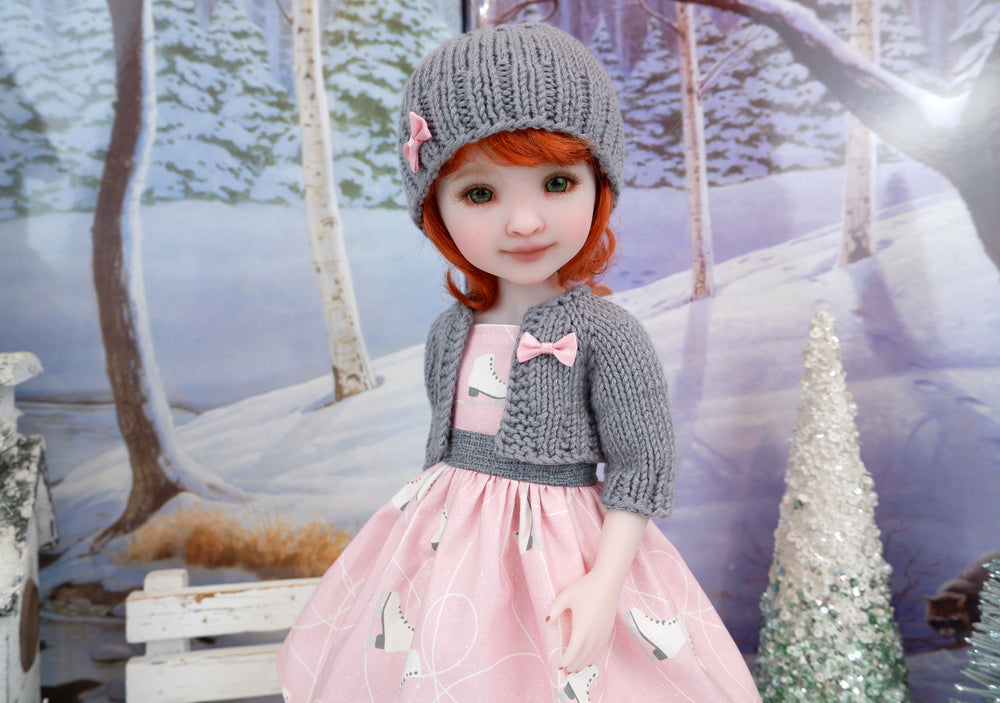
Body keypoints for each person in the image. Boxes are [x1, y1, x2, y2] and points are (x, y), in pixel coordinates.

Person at [277, 22, 761, 703]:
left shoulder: (608, 335)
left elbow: (641, 468)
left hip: (568, 553)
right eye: (480, 193)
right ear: (435, 207)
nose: (525, 223)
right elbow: (442, 458)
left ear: (599, 185)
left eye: (557, 183)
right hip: (449, 556)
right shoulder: (449, 333)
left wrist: (605, 583)